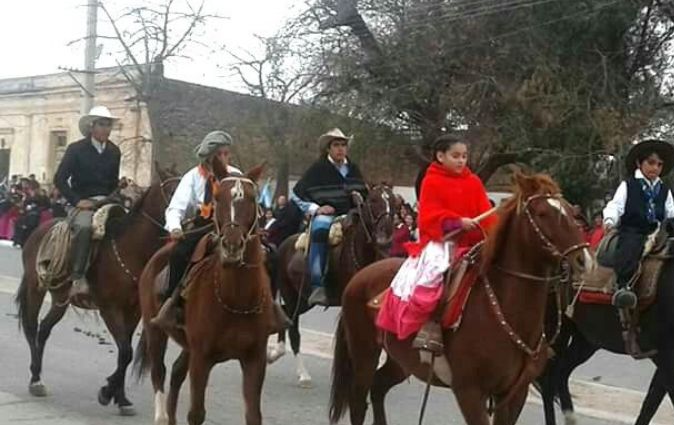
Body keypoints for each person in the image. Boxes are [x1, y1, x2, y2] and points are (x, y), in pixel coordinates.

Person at [150, 130, 289, 331]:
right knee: (180, 253)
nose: (225, 158)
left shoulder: (236, 175)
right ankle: (172, 305)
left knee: (272, 254)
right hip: (203, 224)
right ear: (209, 157)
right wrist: (175, 227)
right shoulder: (192, 177)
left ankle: (271, 306)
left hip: (234, 226)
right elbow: (176, 207)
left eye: (226, 153)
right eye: (220, 154)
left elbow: (246, 204)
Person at [376, 134, 497, 354]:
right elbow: (430, 216)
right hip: (442, 242)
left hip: (473, 240)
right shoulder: (431, 180)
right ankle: (431, 325)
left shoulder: (474, 181)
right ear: (440, 156)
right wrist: (457, 221)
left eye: (464, 156)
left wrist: (494, 231)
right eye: (456, 156)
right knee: (434, 273)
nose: (462, 161)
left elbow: (485, 214)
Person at [602, 139, 674, 357]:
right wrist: (610, 220)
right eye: (651, 163)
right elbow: (616, 205)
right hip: (634, 230)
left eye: (659, 165)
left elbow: (669, 210)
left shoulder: (664, 189)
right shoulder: (629, 185)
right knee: (631, 248)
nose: (655, 168)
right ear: (640, 163)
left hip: (657, 231)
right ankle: (624, 286)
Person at [291, 128, 368, 306]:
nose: (341, 149)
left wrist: (359, 196)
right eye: (336, 145)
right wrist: (316, 208)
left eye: (343, 145)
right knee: (319, 231)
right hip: (328, 215)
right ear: (328, 148)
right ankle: (318, 284)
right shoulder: (318, 169)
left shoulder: (353, 168)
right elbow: (297, 194)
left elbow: (363, 191)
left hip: (352, 213)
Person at [54, 105, 121, 300]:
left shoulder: (114, 151)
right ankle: (78, 277)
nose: (106, 129)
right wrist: (77, 200)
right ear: (92, 127)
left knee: (130, 224)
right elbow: (59, 179)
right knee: (84, 227)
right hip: (82, 202)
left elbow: (112, 182)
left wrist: (120, 189)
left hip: (107, 201)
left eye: (109, 125)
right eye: (102, 124)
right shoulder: (76, 149)